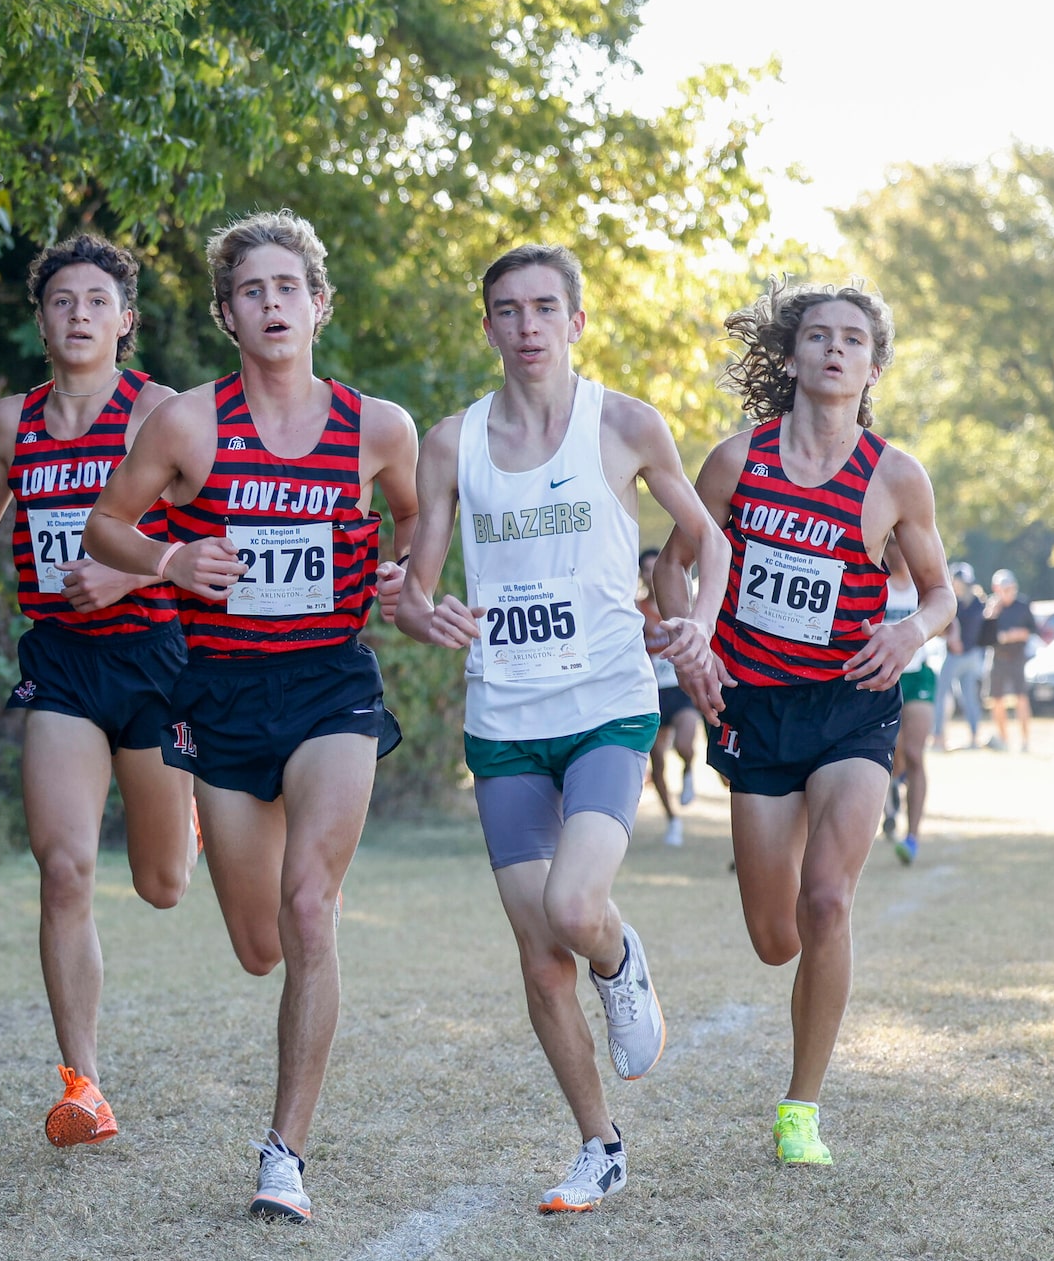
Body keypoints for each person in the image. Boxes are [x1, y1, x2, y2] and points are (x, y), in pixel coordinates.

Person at [84, 210, 421, 1223]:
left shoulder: (377, 426)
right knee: (257, 943)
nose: (271, 306)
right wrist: (169, 560)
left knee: (309, 907)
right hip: (220, 695)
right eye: (250, 292)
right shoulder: (186, 423)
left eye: (288, 289)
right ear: (226, 314)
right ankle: (226, 854)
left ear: (318, 304)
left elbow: (413, 511)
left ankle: (284, 1154)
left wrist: (408, 574)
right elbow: (106, 523)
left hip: (329, 687)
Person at [395, 245, 729, 1212]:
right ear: (490, 325)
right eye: (509, 309)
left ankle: (623, 961)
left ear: (576, 321)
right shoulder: (453, 442)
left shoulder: (623, 423)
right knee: (540, 957)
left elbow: (708, 539)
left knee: (577, 911)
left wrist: (698, 621)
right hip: (503, 720)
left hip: (606, 707)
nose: (528, 325)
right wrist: (431, 611)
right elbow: (416, 593)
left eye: (546, 307)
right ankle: (598, 1145)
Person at [662, 282, 952, 1167]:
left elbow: (940, 595)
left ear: (872, 366)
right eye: (818, 337)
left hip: (852, 704)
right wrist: (693, 648)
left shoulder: (895, 476)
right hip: (753, 708)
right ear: (790, 357)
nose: (834, 351)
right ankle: (786, 939)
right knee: (775, 935)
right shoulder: (734, 461)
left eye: (853, 341)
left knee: (828, 899)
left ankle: (802, 1108)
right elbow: (673, 568)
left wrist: (907, 630)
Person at [0, 236, 195, 1147]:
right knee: (63, 870)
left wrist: (126, 578)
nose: (79, 313)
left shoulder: (158, 412)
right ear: (41, 319)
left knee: (164, 886)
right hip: (60, 664)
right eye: (61, 301)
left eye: (97, 301)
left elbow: (211, 541)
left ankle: (187, 813)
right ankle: (83, 1084)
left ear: (125, 322)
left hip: (155, 658)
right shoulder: (14, 420)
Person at [639, 547, 704, 845]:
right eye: (647, 570)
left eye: (657, 569)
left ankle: (690, 770)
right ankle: (673, 820)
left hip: (680, 688)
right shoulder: (637, 611)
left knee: (685, 742)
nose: (653, 577)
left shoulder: (681, 605)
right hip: (652, 692)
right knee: (658, 760)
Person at [880, 538, 937, 862]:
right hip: (882, 674)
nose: (901, 552)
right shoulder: (875, 582)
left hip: (917, 675)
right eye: (894, 547)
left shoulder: (922, 582)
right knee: (893, 754)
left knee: (915, 753)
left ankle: (912, 837)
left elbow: (943, 618)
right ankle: (891, 788)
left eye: (905, 545)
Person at [980, 569, 1036, 752]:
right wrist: (991, 613)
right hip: (997, 657)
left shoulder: (1022, 605)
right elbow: (984, 636)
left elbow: (1031, 630)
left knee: (1021, 697)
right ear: (997, 589)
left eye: (1012, 588)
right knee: (996, 700)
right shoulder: (991, 607)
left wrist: (1011, 636)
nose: (1009, 592)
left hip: (1017, 657)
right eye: (1005, 588)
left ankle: (1026, 741)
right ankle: (1003, 739)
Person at [937, 561, 986, 750]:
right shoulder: (978, 603)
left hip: (958, 656)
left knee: (943, 695)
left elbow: (945, 628)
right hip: (971, 655)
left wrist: (952, 638)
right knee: (968, 697)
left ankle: (939, 737)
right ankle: (973, 737)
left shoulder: (954, 602)